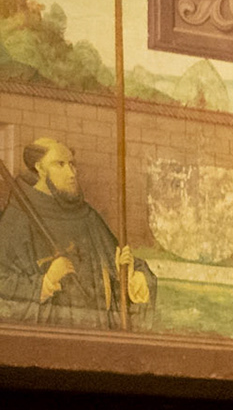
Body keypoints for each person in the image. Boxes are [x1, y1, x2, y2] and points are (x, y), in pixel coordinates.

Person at [0, 139, 154, 328]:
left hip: (96, 332)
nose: (72, 173)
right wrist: (45, 283)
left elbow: (118, 263)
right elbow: (2, 282)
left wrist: (132, 277)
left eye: (72, 164)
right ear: (40, 168)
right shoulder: (18, 218)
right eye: (60, 164)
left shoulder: (86, 216)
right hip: (50, 338)